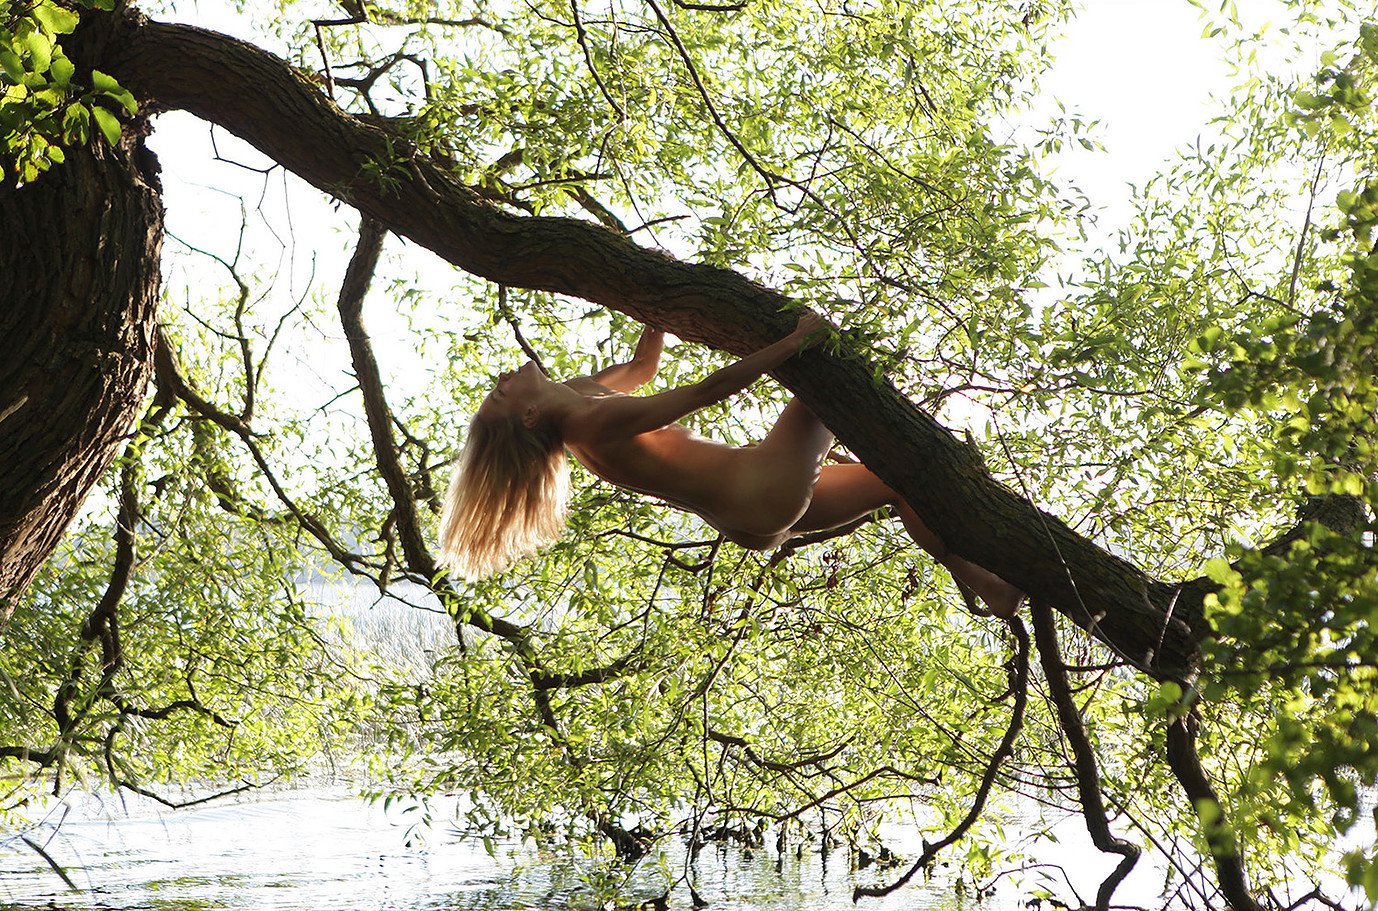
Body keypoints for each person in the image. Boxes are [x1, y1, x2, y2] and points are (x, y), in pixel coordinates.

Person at [438, 314, 1023, 618]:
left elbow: (642, 368)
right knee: (837, 368)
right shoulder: (590, 426)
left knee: (895, 485)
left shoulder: (578, 398)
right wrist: (794, 342)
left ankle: (991, 587)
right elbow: (704, 391)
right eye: (500, 394)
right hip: (763, 488)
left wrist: (653, 313)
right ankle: (941, 473)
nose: (502, 378)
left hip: (753, 513)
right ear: (530, 416)